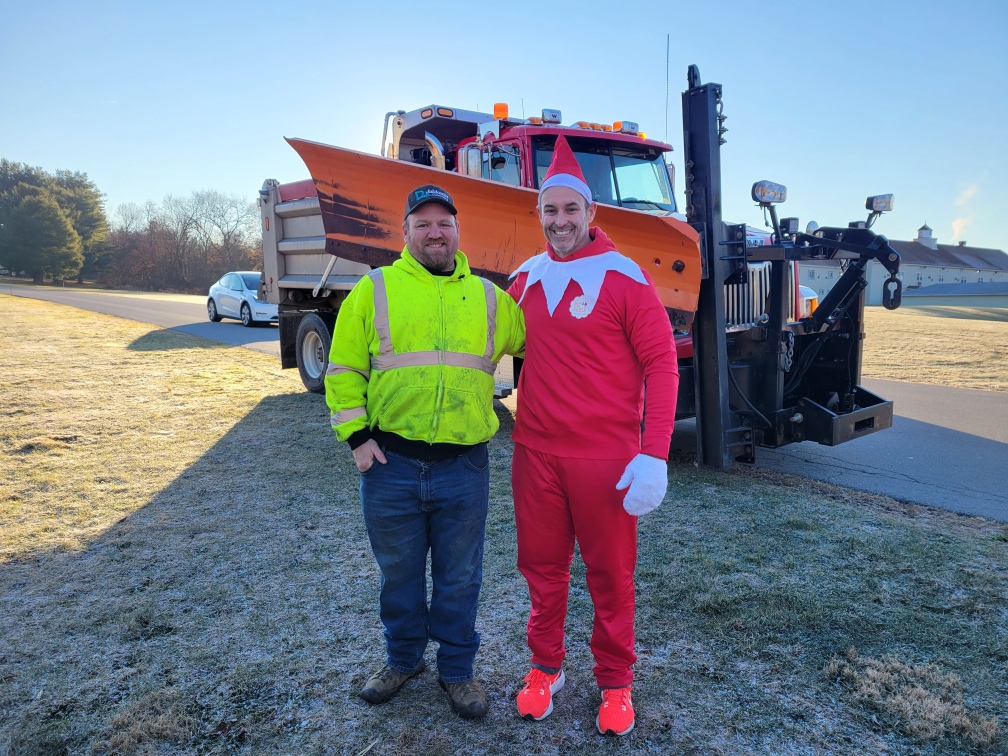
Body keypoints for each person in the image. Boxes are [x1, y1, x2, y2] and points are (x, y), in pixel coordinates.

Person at [326, 183, 525, 719]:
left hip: (464, 466)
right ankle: (402, 659)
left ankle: (457, 670)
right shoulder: (375, 289)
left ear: (458, 231)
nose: (434, 232)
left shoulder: (489, 298)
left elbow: (544, 344)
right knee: (400, 574)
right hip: (390, 466)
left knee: (460, 576)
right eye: (423, 223)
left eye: (444, 223)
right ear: (406, 232)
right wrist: (358, 439)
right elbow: (343, 368)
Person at [507, 136, 679, 736]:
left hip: (604, 459)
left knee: (609, 574)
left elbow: (662, 364)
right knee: (541, 569)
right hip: (535, 454)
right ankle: (545, 668)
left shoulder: (626, 278)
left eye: (570, 209)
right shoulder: (525, 279)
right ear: (539, 214)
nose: (560, 221)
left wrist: (654, 453)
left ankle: (615, 681)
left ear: (591, 212)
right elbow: (485, 345)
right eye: (550, 210)